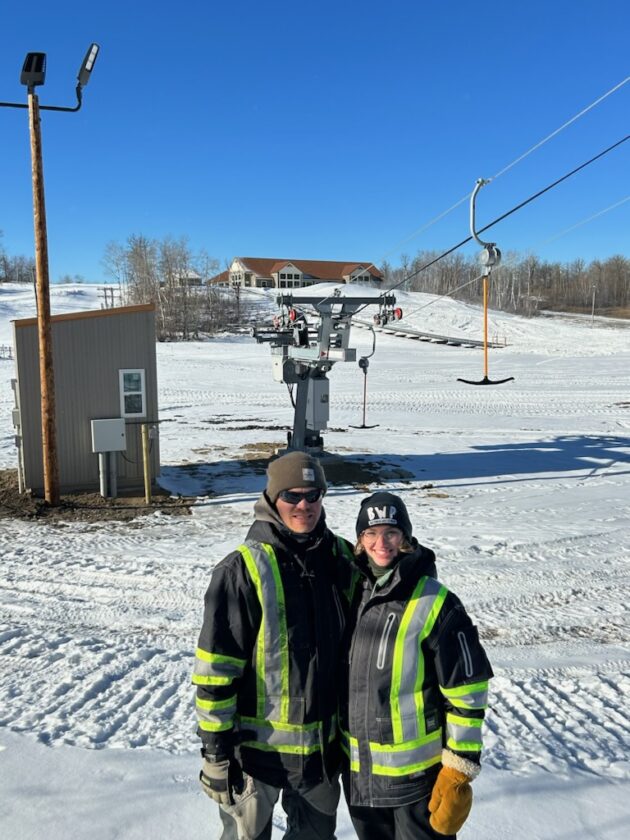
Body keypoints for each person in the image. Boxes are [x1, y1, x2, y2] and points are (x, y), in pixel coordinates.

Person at [193, 451, 353, 840]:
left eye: (313, 495)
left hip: (319, 757)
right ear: (271, 499)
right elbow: (215, 673)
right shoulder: (242, 569)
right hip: (255, 760)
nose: (304, 506)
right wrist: (216, 754)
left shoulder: (342, 558)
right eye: (292, 496)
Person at [339, 492, 493, 840]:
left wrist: (459, 768)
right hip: (361, 782)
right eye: (371, 533)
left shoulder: (436, 601)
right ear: (360, 541)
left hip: (417, 786)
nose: (382, 543)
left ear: (405, 538)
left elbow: (467, 692)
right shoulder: (349, 593)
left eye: (391, 533)